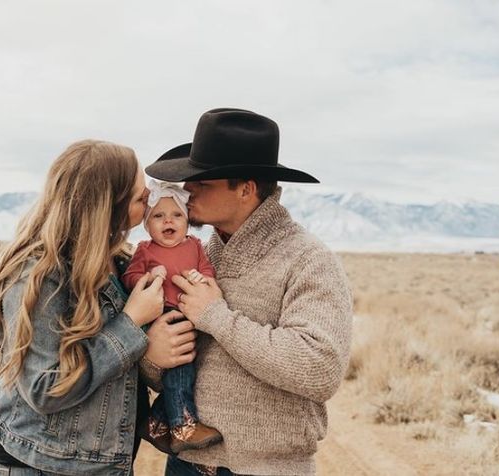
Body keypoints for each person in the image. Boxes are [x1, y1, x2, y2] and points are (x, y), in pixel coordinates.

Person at [145, 109, 353, 476]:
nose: (187, 191)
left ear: (246, 189)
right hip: (184, 464)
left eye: (203, 183)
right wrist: (153, 353)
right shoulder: (198, 253)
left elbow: (320, 369)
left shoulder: (308, 259)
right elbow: (165, 368)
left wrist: (217, 318)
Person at [0, 139, 197, 476]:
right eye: (139, 196)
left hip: (103, 463)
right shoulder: (41, 275)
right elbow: (44, 388)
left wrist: (151, 352)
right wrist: (132, 324)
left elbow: (119, 364)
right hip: (43, 466)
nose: (150, 198)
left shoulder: (120, 262)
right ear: (108, 205)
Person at [122, 180, 222, 454]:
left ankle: (155, 422)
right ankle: (182, 426)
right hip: (163, 316)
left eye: (177, 215)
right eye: (158, 216)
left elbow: (208, 273)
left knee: (186, 370)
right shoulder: (145, 249)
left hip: (191, 314)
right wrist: (147, 277)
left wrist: (202, 279)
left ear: (187, 220)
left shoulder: (196, 247)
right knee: (182, 367)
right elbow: (129, 278)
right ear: (147, 224)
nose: (168, 220)